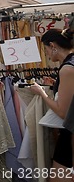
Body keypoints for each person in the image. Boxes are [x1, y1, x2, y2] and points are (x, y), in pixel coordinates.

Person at [30, 26, 74, 179]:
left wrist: (41, 93)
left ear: (53, 46)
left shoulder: (67, 69)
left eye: (46, 49)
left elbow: (63, 112)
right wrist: (56, 85)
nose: (46, 54)